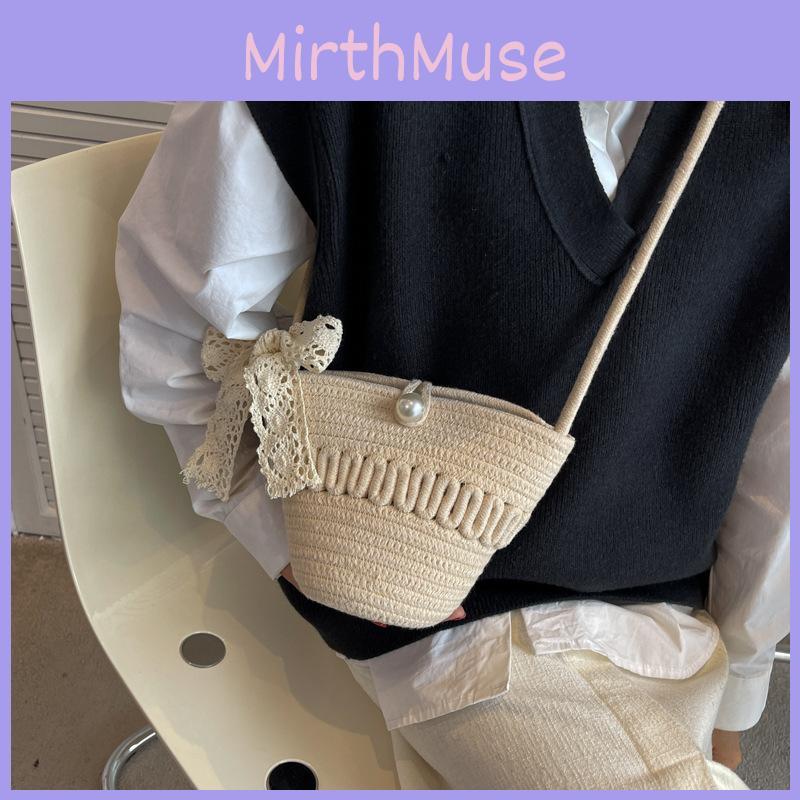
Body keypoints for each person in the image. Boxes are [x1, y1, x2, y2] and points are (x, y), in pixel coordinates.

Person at [115, 101, 789, 790]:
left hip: (671, 615)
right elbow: (177, 335)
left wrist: (739, 680)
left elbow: (779, 456)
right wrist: (290, 539)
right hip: (437, 608)